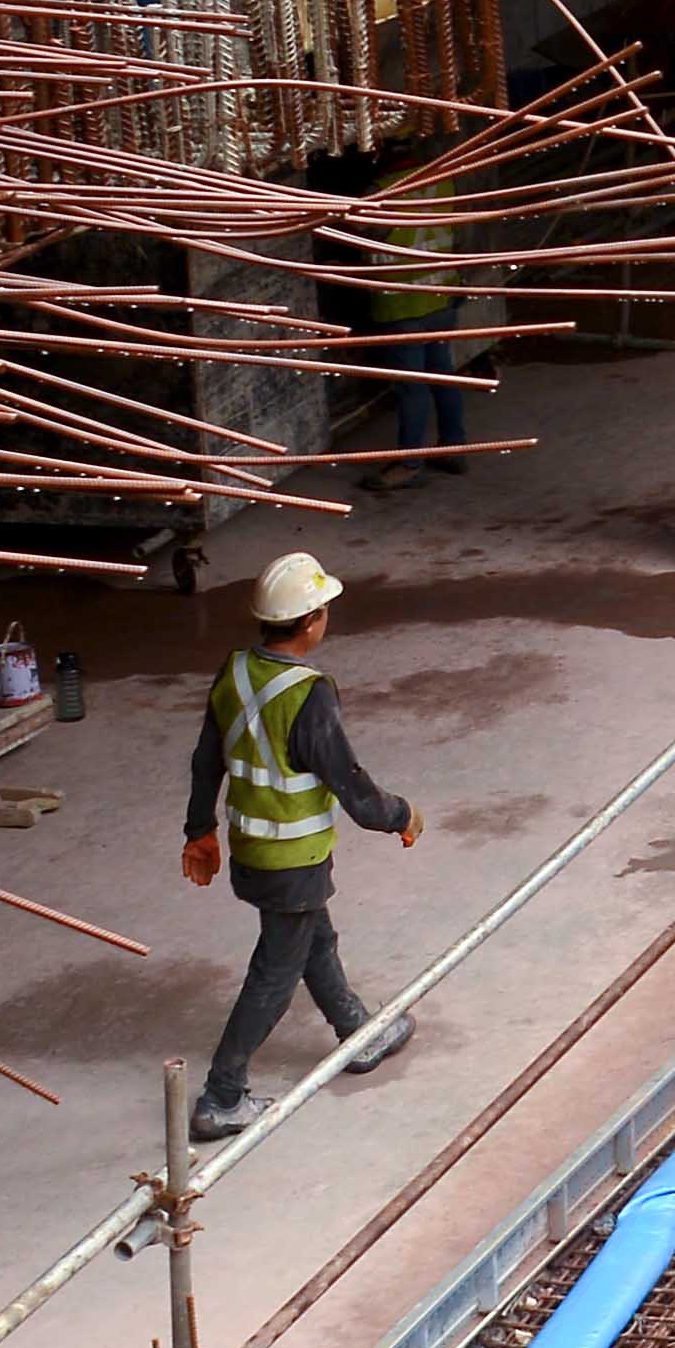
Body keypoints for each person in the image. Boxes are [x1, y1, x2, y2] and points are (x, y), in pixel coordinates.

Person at [180, 550, 424, 1141]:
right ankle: (222, 1097)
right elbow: (351, 785)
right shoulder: (310, 692)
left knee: (314, 937)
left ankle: (358, 1034)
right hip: (296, 856)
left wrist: (199, 828)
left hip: (253, 851)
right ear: (311, 620)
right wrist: (401, 816)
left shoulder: (234, 671)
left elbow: (206, 757)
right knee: (274, 973)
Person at [358, 186, 476, 466]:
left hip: (403, 307)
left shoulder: (379, 192)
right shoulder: (443, 182)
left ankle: (409, 464)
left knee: (413, 389)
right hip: (440, 298)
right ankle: (453, 448)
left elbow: (359, 234)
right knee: (444, 377)